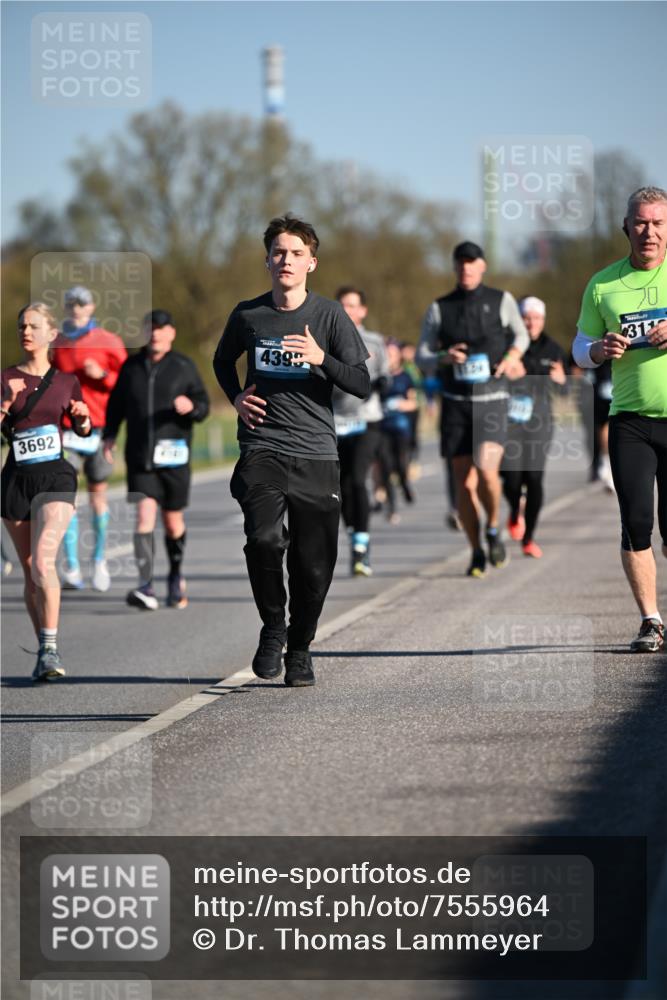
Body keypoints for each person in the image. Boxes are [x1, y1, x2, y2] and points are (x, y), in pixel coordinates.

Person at [213, 215, 370, 687]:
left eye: (296, 253)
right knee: (264, 538)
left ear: (311, 263)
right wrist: (236, 398)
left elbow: (361, 382)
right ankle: (273, 629)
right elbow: (223, 362)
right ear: (267, 261)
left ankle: (300, 647)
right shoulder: (248, 315)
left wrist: (322, 359)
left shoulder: (328, 316)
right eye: (279, 252)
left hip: (317, 452)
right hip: (263, 445)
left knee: (314, 563)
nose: (286, 260)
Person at [572, 185, 667, 653]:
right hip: (630, 420)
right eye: (641, 222)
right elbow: (579, 348)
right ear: (626, 227)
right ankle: (651, 621)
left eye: (657, 222)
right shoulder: (603, 283)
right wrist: (597, 349)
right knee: (635, 522)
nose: (648, 232)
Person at [417, 241, 529, 577]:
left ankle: (493, 526)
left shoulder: (501, 300)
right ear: (455, 268)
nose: (466, 268)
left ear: (482, 267)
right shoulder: (439, 308)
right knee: (463, 483)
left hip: (491, 401)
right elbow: (421, 356)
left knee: (487, 471)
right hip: (455, 404)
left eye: (472, 263)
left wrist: (511, 359)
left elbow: (521, 336)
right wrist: (443, 358)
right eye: (460, 263)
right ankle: (477, 550)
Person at [1, 303, 91, 680]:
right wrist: (5, 403)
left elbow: (82, 427)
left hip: (55, 477)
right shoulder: (5, 377)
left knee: (42, 563)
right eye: (22, 325)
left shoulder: (66, 380)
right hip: (16, 481)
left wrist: (83, 420)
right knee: (28, 574)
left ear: (51, 334)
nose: (26, 331)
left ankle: (51, 648)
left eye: (34, 326)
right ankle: (43, 649)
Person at [103, 310, 209, 611]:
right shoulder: (131, 367)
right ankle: (146, 584)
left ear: (171, 333)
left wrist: (191, 406)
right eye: (150, 329)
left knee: (173, 522)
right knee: (143, 519)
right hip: (140, 457)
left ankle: (175, 576)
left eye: (162, 329)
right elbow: (116, 405)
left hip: (174, 457)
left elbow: (203, 405)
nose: (155, 334)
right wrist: (109, 435)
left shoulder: (184, 366)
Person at [51, 286, 127, 592]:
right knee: (66, 498)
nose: (76, 308)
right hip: (67, 428)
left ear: (92, 306)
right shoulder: (56, 342)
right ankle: (70, 565)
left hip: (98, 427)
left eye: (81, 303)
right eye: (71, 303)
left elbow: (126, 384)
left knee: (98, 496)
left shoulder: (109, 340)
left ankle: (98, 560)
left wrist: (103, 375)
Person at [501, 296, 568, 558]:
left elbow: (562, 390)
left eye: (537, 318)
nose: (531, 323)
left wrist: (561, 381)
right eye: (527, 318)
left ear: (543, 320)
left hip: (540, 420)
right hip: (509, 420)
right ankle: (515, 507)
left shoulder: (553, 348)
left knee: (535, 478)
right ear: (519, 319)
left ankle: (529, 538)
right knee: (512, 478)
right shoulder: (509, 345)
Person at [332, 286, 389, 576]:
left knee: (357, 478)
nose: (348, 311)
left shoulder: (375, 342)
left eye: (353, 305)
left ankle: (361, 545)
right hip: (335, 421)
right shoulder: (326, 339)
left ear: (363, 310)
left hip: (367, 420)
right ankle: (354, 533)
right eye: (343, 305)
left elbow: (385, 378)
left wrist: (371, 387)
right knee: (339, 488)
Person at [379, 339, 418, 525]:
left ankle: (405, 484)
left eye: (392, 354)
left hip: (401, 428)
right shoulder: (379, 377)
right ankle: (392, 507)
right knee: (386, 467)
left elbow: (413, 402)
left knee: (401, 466)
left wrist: (401, 404)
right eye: (387, 354)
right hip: (382, 428)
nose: (390, 357)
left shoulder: (405, 377)